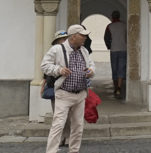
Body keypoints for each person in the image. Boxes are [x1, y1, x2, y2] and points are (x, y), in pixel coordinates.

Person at [41, 24, 95, 153]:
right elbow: (44, 65)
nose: (85, 38)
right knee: (58, 125)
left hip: (80, 94)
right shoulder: (57, 49)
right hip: (64, 94)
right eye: (82, 35)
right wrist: (58, 70)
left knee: (78, 126)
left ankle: (74, 150)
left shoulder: (84, 50)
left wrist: (91, 71)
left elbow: (92, 65)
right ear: (73, 37)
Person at [42, 30, 70, 148]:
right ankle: (61, 138)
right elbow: (46, 68)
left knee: (68, 115)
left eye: (65, 38)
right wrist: (43, 83)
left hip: (69, 87)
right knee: (57, 116)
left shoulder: (72, 50)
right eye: (62, 39)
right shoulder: (54, 51)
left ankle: (67, 137)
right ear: (57, 41)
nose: (64, 41)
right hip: (55, 87)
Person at [104, 10, 127, 99]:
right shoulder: (124, 25)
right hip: (123, 49)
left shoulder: (109, 26)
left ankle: (115, 86)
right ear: (119, 16)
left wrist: (109, 46)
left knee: (114, 68)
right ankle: (119, 87)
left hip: (114, 50)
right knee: (121, 68)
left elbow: (106, 38)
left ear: (112, 17)